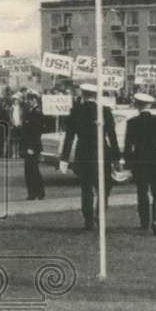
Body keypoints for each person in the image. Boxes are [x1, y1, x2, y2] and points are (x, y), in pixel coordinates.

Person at [59, 82, 120, 231]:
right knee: (103, 188)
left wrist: (64, 158)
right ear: (96, 95)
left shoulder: (76, 111)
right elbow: (112, 136)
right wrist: (117, 157)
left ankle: (88, 219)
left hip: (83, 153)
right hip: (101, 153)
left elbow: (69, 137)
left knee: (86, 188)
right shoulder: (105, 111)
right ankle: (99, 215)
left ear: (83, 94)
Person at [124, 93, 156, 236]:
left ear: (137, 105)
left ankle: (144, 221)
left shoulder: (132, 122)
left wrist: (128, 163)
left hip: (140, 159)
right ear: (150, 105)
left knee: (142, 191)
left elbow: (128, 146)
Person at [21, 90, 45, 201]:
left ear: (35, 100)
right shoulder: (29, 112)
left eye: (31, 99)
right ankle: (34, 193)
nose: (29, 101)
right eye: (28, 99)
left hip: (33, 146)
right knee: (29, 170)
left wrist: (31, 147)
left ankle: (38, 193)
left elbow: (36, 132)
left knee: (33, 170)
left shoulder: (37, 113)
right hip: (28, 145)